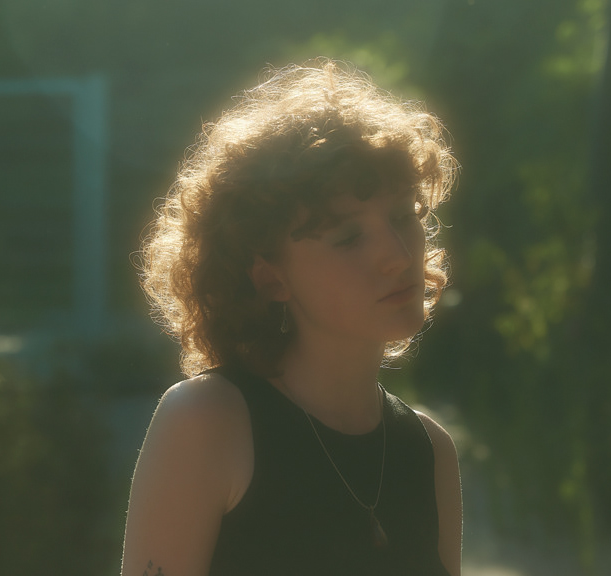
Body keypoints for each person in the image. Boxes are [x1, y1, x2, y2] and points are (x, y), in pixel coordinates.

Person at [122, 60, 462, 576]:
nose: (397, 255)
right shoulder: (208, 422)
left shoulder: (430, 452)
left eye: (402, 217)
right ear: (270, 279)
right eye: (348, 238)